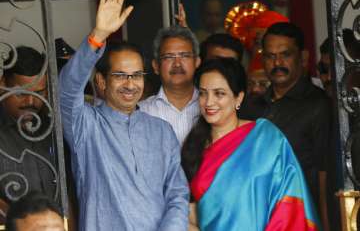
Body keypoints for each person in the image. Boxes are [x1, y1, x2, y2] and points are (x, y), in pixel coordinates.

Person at [58, 0, 189, 230]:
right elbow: (66, 91)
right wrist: (97, 37)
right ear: (101, 81)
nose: (130, 84)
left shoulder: (161, 131)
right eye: (120, 75)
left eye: (137, 75)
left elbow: (177, 194)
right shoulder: (86, 126)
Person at [181, 58, 320, 230]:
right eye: (203, 93)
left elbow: (290, 204)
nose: (209, 102)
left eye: (219, 93)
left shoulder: (266, 139)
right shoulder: (194, 146)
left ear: (238, 97)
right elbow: (187, 212)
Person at [243, 22, 331, 228]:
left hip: (301, 217)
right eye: (270, 56)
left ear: (303, 57)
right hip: (258, 218)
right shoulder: (251, 107)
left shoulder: (318, 105)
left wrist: (326, 225)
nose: (277, 62)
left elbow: (323, 172)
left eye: (285, 54)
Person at [0, 46, 57, 207]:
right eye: (21, 93)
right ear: (2, 84)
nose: (30, 103)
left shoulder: (52, 129)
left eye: (39, 94)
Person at [139, 25, 201, 144]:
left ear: (197, 62)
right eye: (169, 57)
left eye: (184, 56)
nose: (177, 64)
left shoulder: (211, 109)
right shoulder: (141, 112)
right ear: (156, 66)